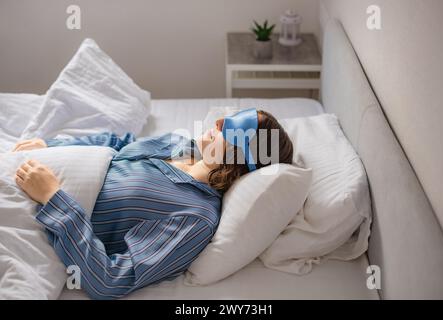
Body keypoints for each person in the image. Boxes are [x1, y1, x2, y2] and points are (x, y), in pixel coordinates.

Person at [13, 108, 293, 299]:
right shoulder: (181, 144)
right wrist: (49, 144)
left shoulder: (195, 218)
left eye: (231, 127)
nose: (219, 121)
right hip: (25, 168)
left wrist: (54, 198)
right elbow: (118, 143)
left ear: (242, 158)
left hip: (30, 216)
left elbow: (107, 281)